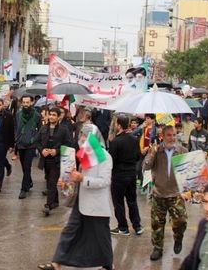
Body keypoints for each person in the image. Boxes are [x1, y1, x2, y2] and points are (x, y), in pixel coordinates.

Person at [38, 124, 113, 270]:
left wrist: (83, 179)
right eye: (81, 136)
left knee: (101, 236)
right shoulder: (84, 154)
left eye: (86, 136)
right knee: (70, 230)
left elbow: (105, 181)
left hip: (97, 205)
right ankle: (56, 263)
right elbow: (76, 177)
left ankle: (108, 264)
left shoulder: (104, 156)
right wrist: (66, 181)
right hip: (82, 201)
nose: (82, 139)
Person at [143, 125, 188, 261]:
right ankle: (158, 248)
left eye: (174, 135)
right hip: (159, 194)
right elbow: (145, 166)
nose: (172, 138)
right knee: (157, 224)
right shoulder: (156, 151)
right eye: (169, 135)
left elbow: (188, 172)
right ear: (162, 136)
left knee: (180, 222)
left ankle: (178, 238)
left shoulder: (182, 150)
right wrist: (152, 153)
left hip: (176, 194)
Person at [109, 115, 142, 236]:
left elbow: (112, 160)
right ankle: (137, 226)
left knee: (118, 202)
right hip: (131, 174)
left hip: (119, 175)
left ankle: (123, 227)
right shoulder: (134, 139)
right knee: (132, 200)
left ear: (118, 125)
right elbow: (138, 156)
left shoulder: (115, 141)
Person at [37, 107, 70, 216]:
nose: (51, 117)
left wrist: (57, 151)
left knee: (51, 182)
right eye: (50, 114)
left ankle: (48, 205)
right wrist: (42, 150)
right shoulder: (43, 128)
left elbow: (69, 144)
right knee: (49, 181)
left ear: (58, 116)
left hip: (57, 161)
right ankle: (55, 201)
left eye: (54, 115)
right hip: (46, 160)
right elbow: (37, 142)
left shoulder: (64, 129)